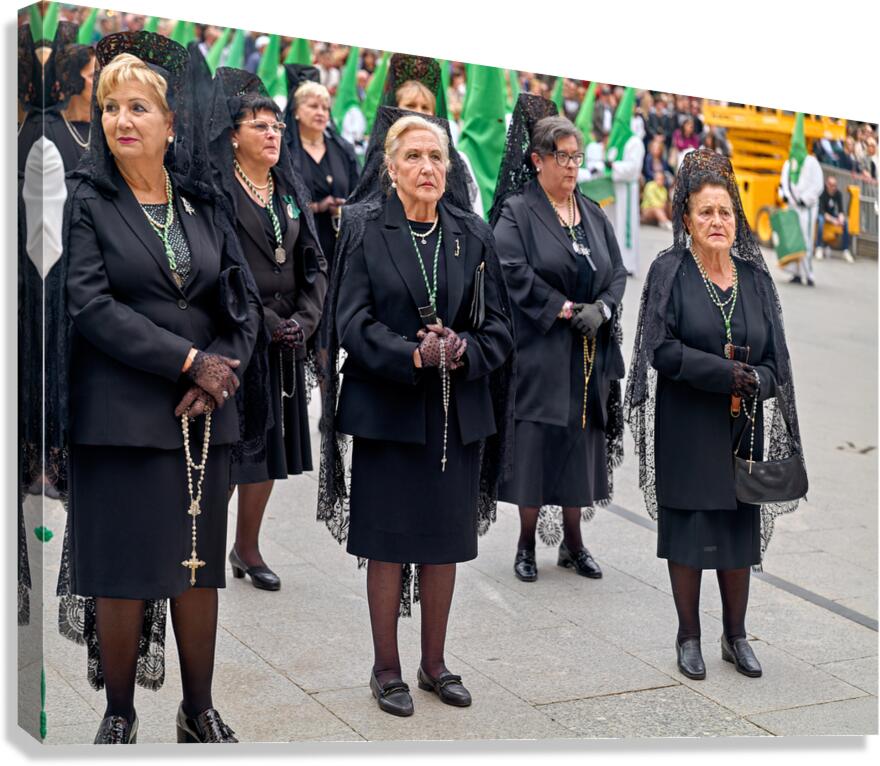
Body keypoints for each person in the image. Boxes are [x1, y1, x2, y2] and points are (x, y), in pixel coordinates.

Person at [53, 32, 265, 744]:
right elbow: (91, 305)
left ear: (171, 124)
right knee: (120, 571)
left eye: (138, 106)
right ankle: (120, 713)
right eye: (111, 106)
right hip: (120, 417)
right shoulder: (87, 199)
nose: (121, 120)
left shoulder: (204, 201)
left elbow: (243, 304)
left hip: (203, 420)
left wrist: (220, 373)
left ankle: (196, 708)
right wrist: (187, 361)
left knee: (197, 568)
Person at [317, 109, 514, 716]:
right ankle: (386, 668)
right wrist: (413, 353)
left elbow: (501, 330)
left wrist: (463, 348)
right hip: (387, 413)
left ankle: (434, 665)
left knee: (442, 543)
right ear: (390, 167)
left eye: (436, 158)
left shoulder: (471, 233)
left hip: (457, 419)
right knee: (387, 542)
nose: (427, 167)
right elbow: (350, 322)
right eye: (413, 157)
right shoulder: (364, 227)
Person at [625, 150, 806, 682]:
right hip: (686, 423)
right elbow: (660, 350)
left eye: (725, 212)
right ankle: (688, 636)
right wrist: (723, 374)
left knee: (736, 530)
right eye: (705, 213)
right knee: (688, 529)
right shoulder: (670, 271)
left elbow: (777, 359)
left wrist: (759, 382)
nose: (717, 222)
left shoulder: (753, 278)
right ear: (686, 219)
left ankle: (736, 634)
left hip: (739, 427)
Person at [490, 96, 626, 581]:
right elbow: (512, 271)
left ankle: (574, 542)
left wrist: (602, 309)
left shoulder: (591, 211)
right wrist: (567, 310)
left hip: (588, 353)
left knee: (580, 444)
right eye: (562, 157)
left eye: (576, 157)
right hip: (541, 348)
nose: (571, 166)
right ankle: (525, 545)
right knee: (535, 446)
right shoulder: (519, 211)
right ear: (537, 160)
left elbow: (616, 272)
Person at [208, 68, 329, 590]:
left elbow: (314, 263)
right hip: (240, 334)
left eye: (277, 124)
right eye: (259, 125)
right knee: (235, 447)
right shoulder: (218, 189)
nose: (273, 133)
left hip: (286, 340)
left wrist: (304, 320)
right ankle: (206, 546)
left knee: (272, 449)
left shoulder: (286, 186)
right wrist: (269, 321)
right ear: (233, 134)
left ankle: (247, 548)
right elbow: (220, 269)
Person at [283, 73, 359, 276]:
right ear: (296, 111)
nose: (321, 112)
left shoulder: (342, 150)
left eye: (325, 108)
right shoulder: (285, 151)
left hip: (340, 244)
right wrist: (316, 207)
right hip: (301, 246)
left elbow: (358, 191)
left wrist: (347, 209)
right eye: (313, 106)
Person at [604, 87, 645, 276]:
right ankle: (615, 261)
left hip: (627, 189)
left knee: (626, 227)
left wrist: (614, 166)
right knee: (614, 224)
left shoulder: (635, 142)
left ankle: (627, 263)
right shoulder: (618, 142)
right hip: (615, 188)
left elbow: (633, 168)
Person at [780, 113, 824, 286]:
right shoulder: (788, 164)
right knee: (793, 240)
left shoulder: (811, 162)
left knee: (805, 240)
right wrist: (787, 196)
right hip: (793, 207)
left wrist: (805, 199)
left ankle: (809, 274)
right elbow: (783, 184)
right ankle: (795, 273)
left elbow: (817, 185)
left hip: (807, 208)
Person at [815, 175, 854, 262]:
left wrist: (840, 218)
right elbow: (822, 212)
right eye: (831, 185)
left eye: (835, 185)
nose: (833, 188)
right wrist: (833, 220)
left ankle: (845, 250)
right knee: (821, 221)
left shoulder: (838, 194)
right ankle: (819, 247)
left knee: (845, 222)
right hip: (821, 214)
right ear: (827, 184)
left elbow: (840, 210)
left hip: (831, 214)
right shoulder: (822, 193)